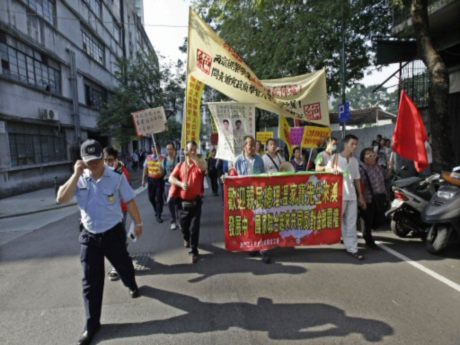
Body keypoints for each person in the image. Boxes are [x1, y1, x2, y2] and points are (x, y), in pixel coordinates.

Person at [56, 139, 143, 345]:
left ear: (103, 160)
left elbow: (129, 200)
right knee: (90, 282)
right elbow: (61, 199)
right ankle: (92, 323)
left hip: (113, 233)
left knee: (123, 265)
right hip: (89, 236)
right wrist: (76, 174)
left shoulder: (116, 178)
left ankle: (131, 284)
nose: (95, 166)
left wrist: (138, 222)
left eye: (98, 161)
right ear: (83, 162)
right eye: (90, 162)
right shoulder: (79, 179)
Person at [326, 134, 366, 260]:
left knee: (351, 223)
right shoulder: (335, 158)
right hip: (338, 196)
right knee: (338, 220)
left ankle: (352, 248)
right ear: (345, 144)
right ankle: (343, 240)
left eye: (356, 145)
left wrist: (360, 196)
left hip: (352, 196)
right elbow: (324, 172)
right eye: (352, 144)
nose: (354, 147)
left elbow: (357, 179)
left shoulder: (354, 161)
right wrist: (332, 171)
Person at [234, 136, 272, 264]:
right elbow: (232, 176)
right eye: (250, 145)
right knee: (249, 222)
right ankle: (253, 245)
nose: (253, 147)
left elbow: (264, 176)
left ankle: (264, 249)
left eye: (254, 145)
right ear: (244, 146)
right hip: (244, 196)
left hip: (258, 196)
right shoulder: (238, 160)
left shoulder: (259, 160)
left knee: (260, 220)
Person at [169, 140, 207, 264]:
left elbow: (204, 167)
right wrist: (180, 183)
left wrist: (195, 158)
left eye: (195, 149)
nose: (192, 152)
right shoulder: (180, 165)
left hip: (196, 203)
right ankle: (186, 238)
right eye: (190, 149)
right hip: (182, 203)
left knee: (194, 228)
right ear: (185, 151)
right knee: (184, 227)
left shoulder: (199, 163)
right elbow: (171, 178)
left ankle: (194, 251)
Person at [103, 146, 132, 282]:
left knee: (117, 238)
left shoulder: (121, 172)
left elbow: (126, 194)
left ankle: (118, 266)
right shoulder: (99, 172)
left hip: (120, 210)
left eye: (111, 160)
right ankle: (122, 259)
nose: (108, 163)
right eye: (105, 160)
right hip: (106, 212)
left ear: (116, 160)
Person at [359, 148, 388, 248]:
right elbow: (360, 184)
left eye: (373, 154)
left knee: (376, 219)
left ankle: (367, 235)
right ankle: (368, 240)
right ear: (363, 157)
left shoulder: (377, 167)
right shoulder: (361, 168)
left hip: (379, 197)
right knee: (367, 220)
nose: (372, 155)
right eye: (368, 154)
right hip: (368, 198)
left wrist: (390, 163)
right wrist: (361, 198)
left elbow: (386, 177)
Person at [142, 144, 165, 223]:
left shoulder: (162, 158)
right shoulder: (148, 157)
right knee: (151, 198)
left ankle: (158, 215)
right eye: (153, 148)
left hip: (159, 180)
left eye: (156, 148)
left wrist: (162, 169)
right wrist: (143, 180)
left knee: (158, 198)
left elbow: (164, 171)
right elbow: (145, 169)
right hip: (150, 180)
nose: (154, 150)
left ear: (159, 149)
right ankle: (157, 209)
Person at [163, 142, 180, 230]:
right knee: (170, 203)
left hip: (177, 185)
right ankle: (173, 221)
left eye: (170, 149)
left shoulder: (178, 159)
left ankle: (179, 220)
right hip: (167, 185)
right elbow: (162, 172)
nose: (169, 151)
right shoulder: (164, 160)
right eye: (167, 149)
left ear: (174, 150)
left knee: (177, 203)